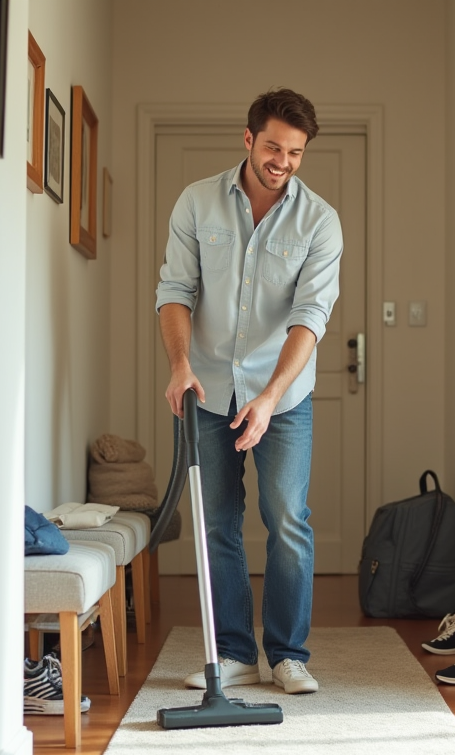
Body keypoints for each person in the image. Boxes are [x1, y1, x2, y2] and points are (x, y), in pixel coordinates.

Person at [155, 88, 342, 694]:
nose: (281, 161)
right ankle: (234, 652)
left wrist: (268, 395)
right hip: (206, 389)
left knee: (287, 518)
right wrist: (181, 365)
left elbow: (310, 316)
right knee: (216, 522)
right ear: (248, 139)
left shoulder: (320, 221)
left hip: (282, 396)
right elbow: (175, 292)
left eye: (294, 152)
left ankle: (288, 653)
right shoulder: (197, 202)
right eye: (272, 147)